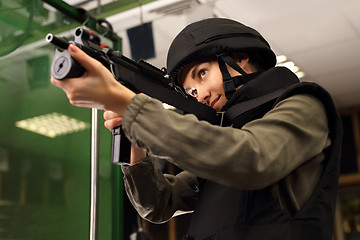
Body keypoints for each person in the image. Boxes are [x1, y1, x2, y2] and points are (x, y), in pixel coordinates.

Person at [51, 18, 342, 240]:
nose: (199, 95)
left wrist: (131, 107)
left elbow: (253, 158)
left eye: (202, 74)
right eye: (190, 92)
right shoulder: (227, 134)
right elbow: (159, 204)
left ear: (240, 57)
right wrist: (137, 150)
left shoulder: (304, 104)